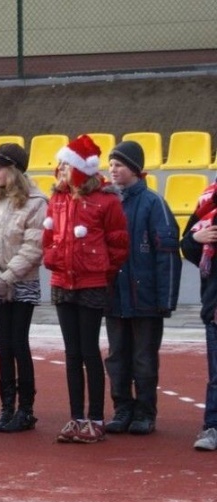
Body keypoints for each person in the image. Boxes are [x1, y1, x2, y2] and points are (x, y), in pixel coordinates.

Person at [43, 134, 129, 444]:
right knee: (72, 352)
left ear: (80, 168)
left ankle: (95, 418)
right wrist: (53, 258)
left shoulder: (106, 201)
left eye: (66, 164)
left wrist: (101, 271)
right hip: (63, 283)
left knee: (90, 351)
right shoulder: (58, 199)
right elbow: (48, 238)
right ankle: (75, 417)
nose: (60, 169)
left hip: (92, 284)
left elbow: (119, 245)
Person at [105, 141, 181, 435]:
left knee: (144, 358)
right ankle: (122, 408)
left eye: (119, 165)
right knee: (116, 356)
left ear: (135, 170)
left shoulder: (154, 204)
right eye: (111, 164)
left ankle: (145, 412)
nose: (113, 170)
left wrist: (166, 299)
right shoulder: (108, 202)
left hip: (146, 299)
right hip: (115, 297)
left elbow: (166, 253)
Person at [0, 143, 48, 433]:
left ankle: (26, 409)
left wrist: (7, 277)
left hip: (22, 282)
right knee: (3, 345)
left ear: (14, 169)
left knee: (19, 343)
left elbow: (34, 246)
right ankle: (6, 407)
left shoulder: (36, 202)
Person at [184, 180, 217, 450]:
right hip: (215, 304)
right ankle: (212, 427)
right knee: (216, 375)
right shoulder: (208, 202)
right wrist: (197, 239)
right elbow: (187, 245)